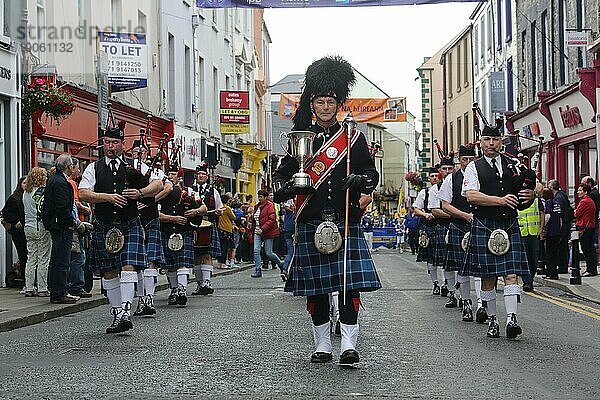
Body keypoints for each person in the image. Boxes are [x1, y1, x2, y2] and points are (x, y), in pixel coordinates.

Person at [273, 55, 381, 366]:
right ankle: (322, 345)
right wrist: (288, 188)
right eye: (320, 101)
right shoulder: (301, 140)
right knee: (317, 292)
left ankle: (348, 344)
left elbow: (372, 175)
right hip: (310, 221)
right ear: (311, 104)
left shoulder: (354, 137)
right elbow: (281, 175)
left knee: (349, 288)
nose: (325, 107)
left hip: (345, 219)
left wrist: (361, 179)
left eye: (331, 101)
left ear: (339, 104)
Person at [79, 126, 163, 333]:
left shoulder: (135, 165)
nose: (110, 146)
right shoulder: (94, 168)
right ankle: (117, 313)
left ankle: (126, 310)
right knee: (109, 271)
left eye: (114, 143)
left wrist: (140, 193)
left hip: (130, 223)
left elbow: (159, 185)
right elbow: (82, 193)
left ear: (122, 145)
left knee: (128, 265)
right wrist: (106, 197)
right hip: (105, 225)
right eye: (107, 142)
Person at [462, 124, 535, 339]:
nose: (491, 144)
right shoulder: (473, 167)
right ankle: (493, 320)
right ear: (481, 142)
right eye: (487, 140)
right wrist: (499, 200)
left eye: (495, 140)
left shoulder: (513, 164)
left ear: (501, 141)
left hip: (509, 224)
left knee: (511, 275)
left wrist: (531, 194)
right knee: (488, 277)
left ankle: (512, 319)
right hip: (485, 223)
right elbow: (471, 196)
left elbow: (535, 187)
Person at [439, 144, 477, 321]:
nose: (468, 163)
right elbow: (444, 205)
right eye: (464, 160)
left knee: (481, 268)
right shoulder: (451, 179)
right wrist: (465, 216)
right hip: (459, 226)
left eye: (471, 159)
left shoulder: (482, 174)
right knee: (462, 267)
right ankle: (466, 303)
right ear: (459, 161)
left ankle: (483, 305)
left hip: (480, 226)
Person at [132, 139, 169, 316]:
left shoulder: (155, 172)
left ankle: (148, 299)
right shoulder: (126, 168)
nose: (139, 154)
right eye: (136, 151)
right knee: (135, 263)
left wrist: (149, 201)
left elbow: (168, 187)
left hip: (150, 218)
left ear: (147, 154)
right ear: (131, 153)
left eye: (142, 151)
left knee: (150, 261)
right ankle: (141, 300)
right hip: (131, 219)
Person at [158, 164, 203, 307]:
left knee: (182, 263)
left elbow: (204, 207)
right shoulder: (161, 191)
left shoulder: (189, 191)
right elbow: (155, 213)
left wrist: (195, 212)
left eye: (173, 174)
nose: (170, 176)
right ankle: (174, 290)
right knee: (170, 264)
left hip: (184, 231)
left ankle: (182, 291)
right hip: (166, 230)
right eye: (168, 174)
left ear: (179, 176)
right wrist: (173, 219)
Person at [42, 154, 78, 304]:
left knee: (57, 259)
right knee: (62, 260)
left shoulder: (54, 180)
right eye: (72, 165)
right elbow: (62, 208)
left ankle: (57, 291)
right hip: (61, 226)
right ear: (68, 167)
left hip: (55, 225)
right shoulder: (61, 182)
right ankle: (59, 293)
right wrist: (73, 222)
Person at [189, 163, 223, 295]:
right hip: (194, 225)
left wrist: (219, 212)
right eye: (199, 174)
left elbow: (219, 207)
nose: (201, 176)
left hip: (209, 224)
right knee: (197, 255)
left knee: (207, 254)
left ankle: (207, 283)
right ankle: (199, 284)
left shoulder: (213, 191)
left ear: (207, 176)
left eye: (203, 174)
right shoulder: (190, 189)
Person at [427, 156, 455, 302]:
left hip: (460, 225)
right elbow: (435, 210)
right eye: (444, 168)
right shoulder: (434, 189)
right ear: (440, 171)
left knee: (464, 265)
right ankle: (451, 292)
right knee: (447, 262)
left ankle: (466, 297)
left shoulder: (461, 183)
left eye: (450, 168)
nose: (447, 171)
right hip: (444, 226)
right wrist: (454, 215)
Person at [22, 167, 51, 297]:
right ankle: (42, 288)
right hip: (40, 226)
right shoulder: (41, 192)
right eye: (44, 175)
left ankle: (29, 287)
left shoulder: (26, 193)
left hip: (28, 227)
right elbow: (42, 210)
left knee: (31, 258)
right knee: (43, 259)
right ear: (40, 177)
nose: (46, 178)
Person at [67, 158, 93, 298]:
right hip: (77, 226)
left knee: (77, 256)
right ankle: (77, 286)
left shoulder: (72, 183)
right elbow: (75, 203)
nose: (79, 171)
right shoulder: (71, 183)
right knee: (78, 257)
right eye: (77, 168)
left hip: (78, 225)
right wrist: (86, 209)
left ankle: (75, 285)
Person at [413, 167, 441, 294]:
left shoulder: (445, 189)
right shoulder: (424, 193)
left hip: (443, 226)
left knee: (444, 259)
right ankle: (435, 283)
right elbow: (416, 209)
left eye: (436, 175)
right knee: (431, 258)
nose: (435, 178)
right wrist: (425, 215)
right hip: (429, 227)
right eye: (432, 176)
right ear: (429, 178)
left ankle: (447, 284)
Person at [517, 183, 545, 292]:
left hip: (534, 234)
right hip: (522, 234)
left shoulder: (537, 201)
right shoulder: (517, 202)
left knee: (533, 259)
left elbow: (542, 214)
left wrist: (541, 230)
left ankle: (530, 279)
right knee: (524, 259)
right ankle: (527, 282)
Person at [1, 176, 28, 289]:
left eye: (28, 183)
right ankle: (25, 280)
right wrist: (15, 221)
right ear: (20, 184)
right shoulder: (14, 198)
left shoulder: (31, 196)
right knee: (23, 255)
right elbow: (5, 212)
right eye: (24, 183)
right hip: (18, 231)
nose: (26, 185)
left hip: (29, 229)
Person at [251, 189, 284, 278]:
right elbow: (254, 219)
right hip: (257, 232)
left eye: (261, 197)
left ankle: (281, 264)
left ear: (265, 197)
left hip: (268, 232)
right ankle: (258, 270)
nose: (259, 198)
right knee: (256, 251)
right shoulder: (257, 206)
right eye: (259, 196)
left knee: (269, 253)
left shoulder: (270, 206)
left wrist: (263, 229)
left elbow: (271, 219)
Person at [547, 179, 572, 274]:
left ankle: (562, 267)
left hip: (561, 226)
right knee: (562, 246)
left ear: (552, 187)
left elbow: (559, 214)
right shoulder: (562, 195)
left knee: (561, 247)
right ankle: (562, 266)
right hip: (564, 225)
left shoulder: (558, 198)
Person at [575, 184, 597, 277]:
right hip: (589, 227)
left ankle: (590, 270)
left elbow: (577, 213)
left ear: (586, 192)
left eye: (580, 190)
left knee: (587, 250)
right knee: (590, 250)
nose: (578, 192)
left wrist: (575, 211)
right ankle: (591, 269)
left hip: (585, 228)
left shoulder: (585, 201)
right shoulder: (589, 201)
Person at [541, 188, 562, 280]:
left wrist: (542, 226)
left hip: (551, 232)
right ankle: (554, 273)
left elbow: (548, 216)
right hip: (557, 231)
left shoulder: (549, 202)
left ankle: (551, 273)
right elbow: (560, 218)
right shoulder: (556, 202)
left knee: (549, 254)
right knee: (554, 253)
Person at [217, 192, 236, 269]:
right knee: (225, 247)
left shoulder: (219, 208)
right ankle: (223, 263)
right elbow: (233, 217)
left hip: (220, 228)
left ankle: (219, 263)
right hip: (227, 229)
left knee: (221, 247)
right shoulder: (227, 208)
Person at [281, 198, 295, 281]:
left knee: (290, 252)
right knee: (291, 252)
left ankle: (285, 270)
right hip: (292, 230)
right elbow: (286, 206)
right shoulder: (291, 200)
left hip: (288, 229)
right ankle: (286, 270)